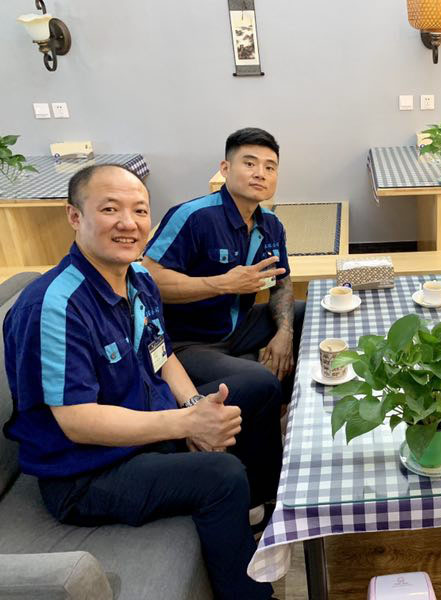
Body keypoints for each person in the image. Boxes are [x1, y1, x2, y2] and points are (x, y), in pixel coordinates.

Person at [2, 164, 280, 600]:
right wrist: (186, 425)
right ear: (75, 216)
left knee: (258, 388)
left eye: (139, 210)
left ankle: (260, 513)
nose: (128, 223)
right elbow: (77, 421)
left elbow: (163, 355)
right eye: (110, 209)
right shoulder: (54, 306)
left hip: (145, 427)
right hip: (87, 472)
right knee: (222, 475)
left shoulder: (140, 279)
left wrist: (194, 408)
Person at [142, 127, 303, 402]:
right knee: (261, 379)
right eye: (249, 163)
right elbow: (148, 280)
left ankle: (286, 405)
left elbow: (281, 282)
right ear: (225, 168)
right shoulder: (193, 216)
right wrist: (223, 284)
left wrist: (284, 334)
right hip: (186, 343)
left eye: (270, 167)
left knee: (307, 314)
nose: (260, 173)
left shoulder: (272, 225)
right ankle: (265, 399)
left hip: (238, 327)